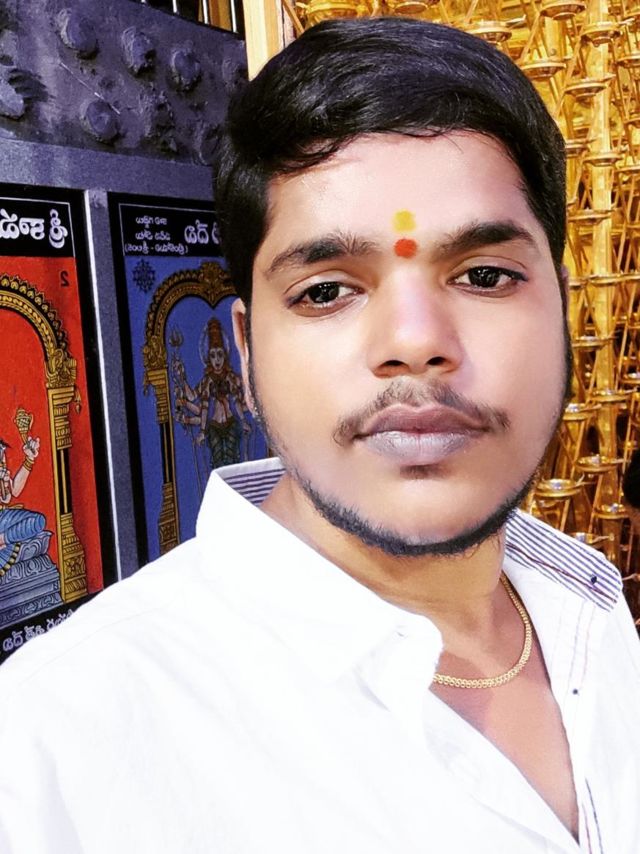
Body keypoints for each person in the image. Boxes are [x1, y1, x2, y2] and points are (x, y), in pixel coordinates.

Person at [0, 17, 638, 854]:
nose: (414, 340)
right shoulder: (56, 752)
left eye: (484, 275)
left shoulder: (587, 612)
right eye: (327, 291)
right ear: (244, 350)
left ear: (562, 308)